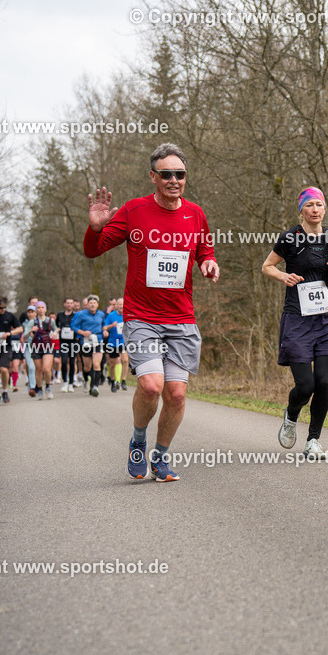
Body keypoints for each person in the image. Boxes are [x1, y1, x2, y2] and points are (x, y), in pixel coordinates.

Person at [84, 142, 219, 482]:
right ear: (153, 177)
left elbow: (205, 249)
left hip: (181, 319)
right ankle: (138, 442)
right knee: (151, 386)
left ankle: (160, 457)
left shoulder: (195, 214)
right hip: (142, 317)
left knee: (177, 393)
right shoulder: (134, 210)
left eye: (180, 174)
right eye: (167, 174)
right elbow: (93, 250)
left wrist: (209, 263)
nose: (174, 180)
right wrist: (96, 226)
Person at [262, 187, 328, 459]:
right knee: (306, 385)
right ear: (302, 210)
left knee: (323, 381)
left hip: (325, 318)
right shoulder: (290, 237)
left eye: (319, 204)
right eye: (309, 204)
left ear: (324, 209)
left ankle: (313, 440)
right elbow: (267, 266)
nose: (315, 209)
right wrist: (282, 277)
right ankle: (291, 414)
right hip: (296, 317)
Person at [71, 295, 106, 396]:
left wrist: (104, 331)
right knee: (87, 367)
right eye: (90, 303)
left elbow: (103, 324)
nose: (92, 305)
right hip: (86, 342)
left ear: (97, 305)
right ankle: (86, 380)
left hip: (98, 341)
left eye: (94, 303)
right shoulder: (81, 314)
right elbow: (73, 326)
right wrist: (82, 332)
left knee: (96, 364)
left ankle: (95, 386)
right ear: (87, 305)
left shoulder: (101, 314)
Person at [28, 301, 57, 400]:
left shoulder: (50, 321)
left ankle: (48, 387)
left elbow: (56, 330)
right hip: (36, 347)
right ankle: (40, 389)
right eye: (38, 308)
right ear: (36, 310)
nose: (40, 310)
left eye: (42, 307)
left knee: (47, 369)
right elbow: (25, 337)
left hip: (47, 346)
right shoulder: (32, 322)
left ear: (45, 309)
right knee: (39, 370)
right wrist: (31, 331)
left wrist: (54, 333)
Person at [103, 297, 129, 392]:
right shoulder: (111, 316)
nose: (121, 306)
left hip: (123, 341)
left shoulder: (128, 315)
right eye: (119, 304)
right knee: (113, 364)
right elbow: (104, 327)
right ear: (116, 306)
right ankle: (113, 381)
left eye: (123, 304)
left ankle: (123, 381)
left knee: (125, 360)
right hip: (112, 342)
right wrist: (111, 326)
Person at [56, 298, 78, 392]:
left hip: (73, 341)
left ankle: (71, 383)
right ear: (64, 304)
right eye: (67, 303)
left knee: (72, 362)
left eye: (71, 303)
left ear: (73, 305)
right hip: (63, 342)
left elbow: (79, 326)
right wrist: (58, 329)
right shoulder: (60, 315)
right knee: (64, 361)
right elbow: (56, 326)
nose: (69, 305)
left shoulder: (76, 315)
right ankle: (65, 381)